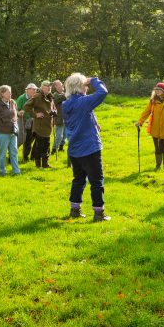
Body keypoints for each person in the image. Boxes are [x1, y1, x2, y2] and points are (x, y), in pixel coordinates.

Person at [62, 73, 110, 221]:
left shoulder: (66, 104)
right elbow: (103, 92)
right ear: (80, 87)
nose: (87, 88)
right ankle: (98, 213)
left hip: (74, 148)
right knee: (96, 181)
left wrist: (94, 123)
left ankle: (75, 210)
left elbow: (80, 117)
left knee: (78, 179)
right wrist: (94, 80)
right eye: (85, 85)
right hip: (89, 147)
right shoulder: (83, 102)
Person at [0, 85, 21, 176]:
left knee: (14, 152)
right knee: (2, 153)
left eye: (10, 92)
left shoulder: (13, 102)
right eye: (8, 92)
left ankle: (16, 171)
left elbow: (15, 113)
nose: (11, 94)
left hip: (13, 132)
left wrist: (15, 119)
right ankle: (2, 172)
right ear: (2, 93)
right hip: (2, 133)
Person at [25, 80, 56, 168]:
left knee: (46, 145)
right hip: (39, 126)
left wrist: (54, 112)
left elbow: (52, 108)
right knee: (39, 146)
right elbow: (26, 106)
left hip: (48, 125)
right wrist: (35, 114)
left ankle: (45, 164)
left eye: (50, 87)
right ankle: (38, 165)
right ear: (42, 87)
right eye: (47, 87)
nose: (49, 88)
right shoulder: (37, 96)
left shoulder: (50, 96)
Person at [16, 83, 37, 162]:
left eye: (35, 90)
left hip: (32, 120)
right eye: (33, 90)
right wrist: (18, 112)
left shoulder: (35, 98)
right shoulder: (21, 98)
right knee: (22, 138)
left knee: (30, 139)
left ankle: (25, 156)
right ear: (27, 90)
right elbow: (15, 109)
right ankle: (12, 152)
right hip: (22, 119)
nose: (34, 91)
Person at [49, 80, 68, 156]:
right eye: (60, 85)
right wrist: (70, 92)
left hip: (66, 118)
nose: (62, 85)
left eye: (62, 84)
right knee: (59, 136)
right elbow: (62, 98)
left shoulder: (64, 94)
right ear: (56, 87)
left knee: (65, 135)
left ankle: (61, 147)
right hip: (59, 119)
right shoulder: (55, 95)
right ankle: (54, 149)